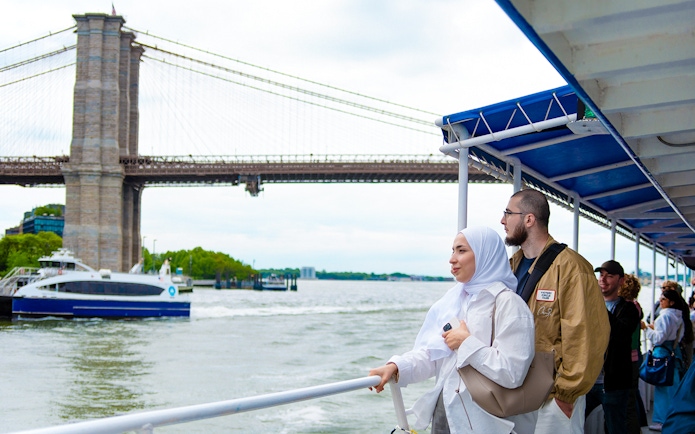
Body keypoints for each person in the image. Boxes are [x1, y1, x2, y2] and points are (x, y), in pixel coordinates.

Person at [369, 226, 536, 434]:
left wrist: (466, 343)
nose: (452, 259)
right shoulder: (454, 300)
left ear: (486, 255)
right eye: (452, 251)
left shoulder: (509, 304)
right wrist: (396, 366)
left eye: (461, 250)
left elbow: (512, 373)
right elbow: (433, 356)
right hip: (445, 412)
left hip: (485, 422)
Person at [501, 189, 609, 434]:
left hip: (553, 396)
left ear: (529, 219)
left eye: (508, 213)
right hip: (518, 389)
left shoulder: (572, 267)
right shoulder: (511, 267)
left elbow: (586, 335)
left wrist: (566, 394)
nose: (502, 220)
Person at [585, 260, 640, 434]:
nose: (603, 280)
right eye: (601, 275)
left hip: (614, 382)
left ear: (621, 281)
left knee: (616, 427)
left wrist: (598, 305)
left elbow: (620, 334)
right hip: (586, 381)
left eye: (609, 276)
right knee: (571, 423)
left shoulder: (629, 309)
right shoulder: (586, 306)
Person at [640, 289, 686, 432]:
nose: (660, 301)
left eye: (663, 299)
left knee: (661, 387)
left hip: (662, 355)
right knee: (672, 386)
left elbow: (659, 338)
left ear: (671, 302)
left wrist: (646, 329)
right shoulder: (678, 317)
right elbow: (677, 335)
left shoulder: (665, 317)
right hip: (673, 353)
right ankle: (674, 417)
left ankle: (661, 420)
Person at [618, 273, 649, 432]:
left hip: (628, 358)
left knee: (628, 401)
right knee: (632, 396)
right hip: (635, 355)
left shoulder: (627, 308)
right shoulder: (636, 306)